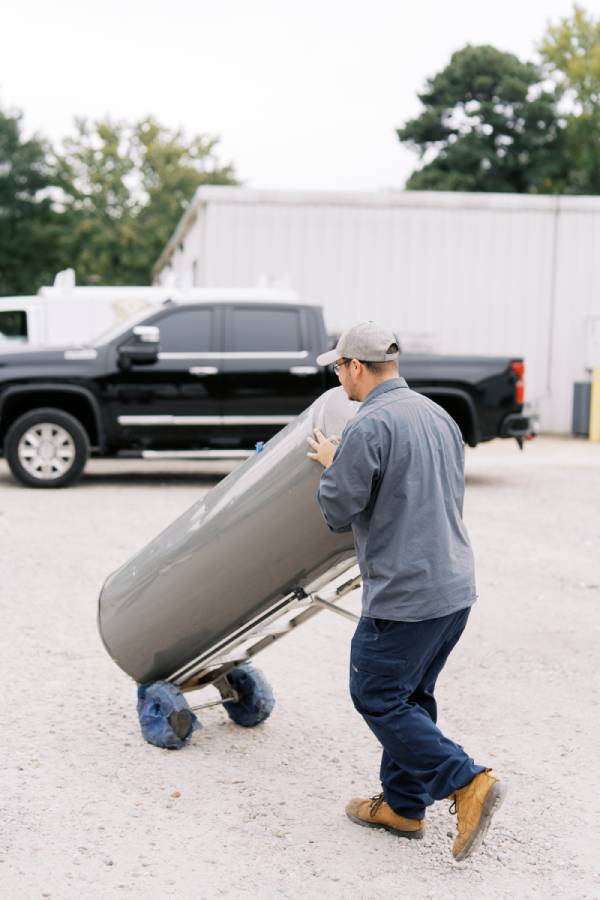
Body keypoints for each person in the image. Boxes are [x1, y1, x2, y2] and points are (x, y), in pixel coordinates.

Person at [306, 321, 506, 861]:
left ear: (356, 367)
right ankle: (403, 806)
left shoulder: (369, 425)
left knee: (375, 693)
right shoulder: (439, 415)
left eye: (339, 367)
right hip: (453, 587)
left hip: (405, 595)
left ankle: (467, 781)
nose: (338, 376)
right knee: (411, 697)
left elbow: (336, 510)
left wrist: (333, 464)